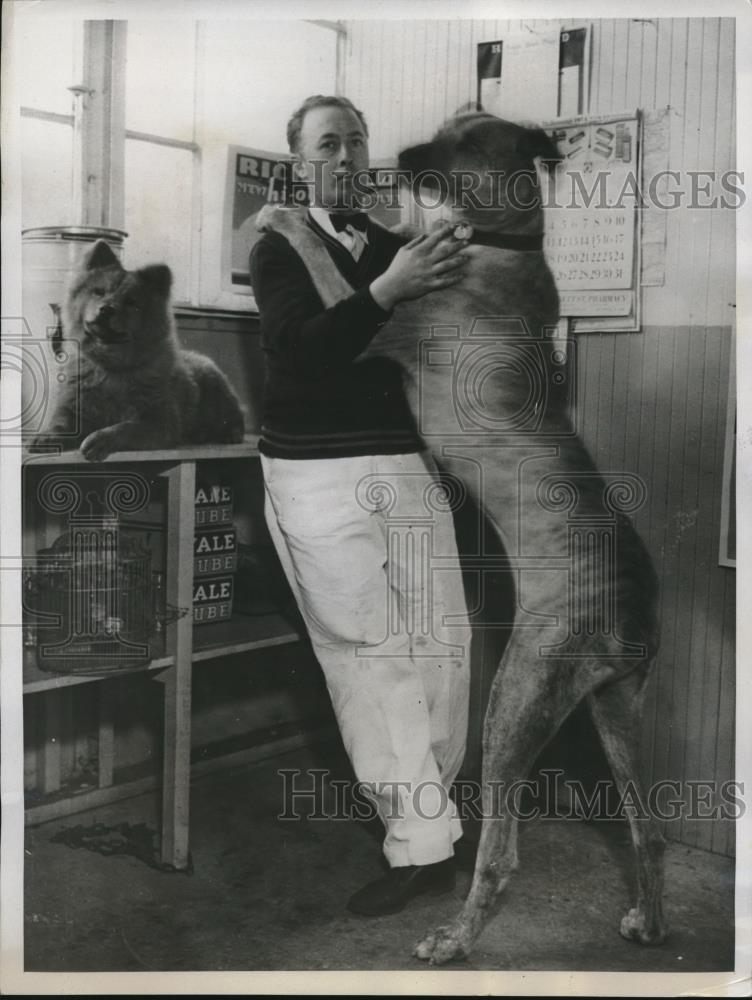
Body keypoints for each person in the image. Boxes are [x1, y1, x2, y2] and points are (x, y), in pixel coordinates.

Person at [249, 94, 472, 917]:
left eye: (357, 142)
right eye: (327, 145)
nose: (345, 157)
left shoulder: (389, 243)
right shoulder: (276, 246)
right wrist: (388, 291)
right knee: (372, 657)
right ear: (301, 162)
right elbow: (303, 350)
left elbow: (433, 336)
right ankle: (418, 844)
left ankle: (434, 821)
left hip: (403, 463)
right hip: (314, 474)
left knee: (442, 642)